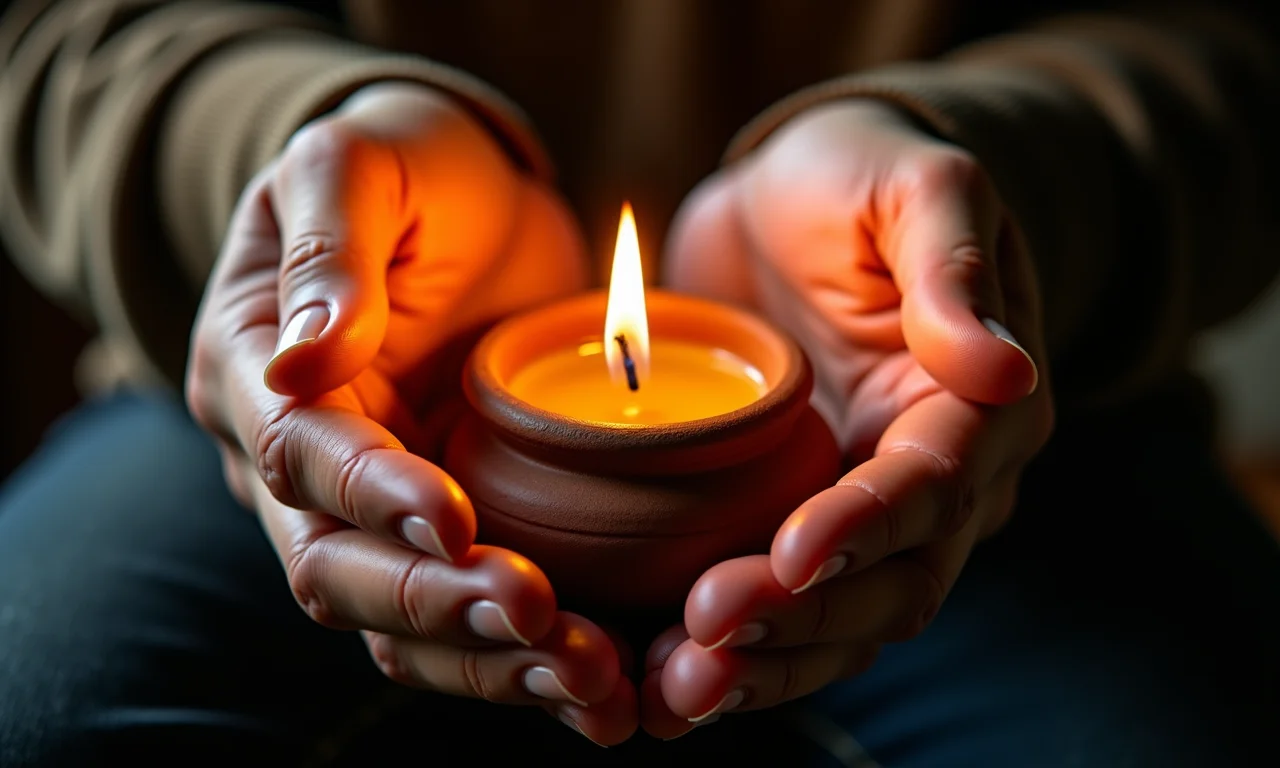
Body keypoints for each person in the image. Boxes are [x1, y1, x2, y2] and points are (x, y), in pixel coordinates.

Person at [1, 0, 1279, 764]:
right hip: (313, 392)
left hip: (986, 421)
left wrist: (988, 193)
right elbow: (47, 37)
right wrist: (272, 157)